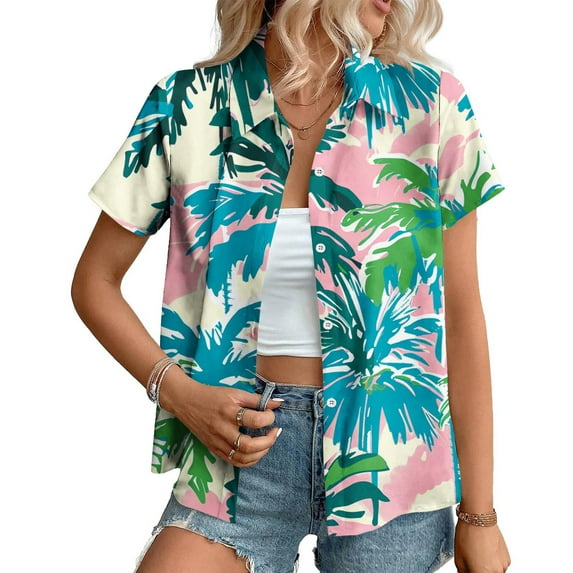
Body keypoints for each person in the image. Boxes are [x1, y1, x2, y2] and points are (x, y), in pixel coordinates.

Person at [71, 0, 511, 571]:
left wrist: (480, 515)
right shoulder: (189, 103)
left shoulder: (431, 104)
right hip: (236, 456)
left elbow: (463, 316)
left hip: (389, 465)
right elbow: (95, 280)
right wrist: (178, 393)